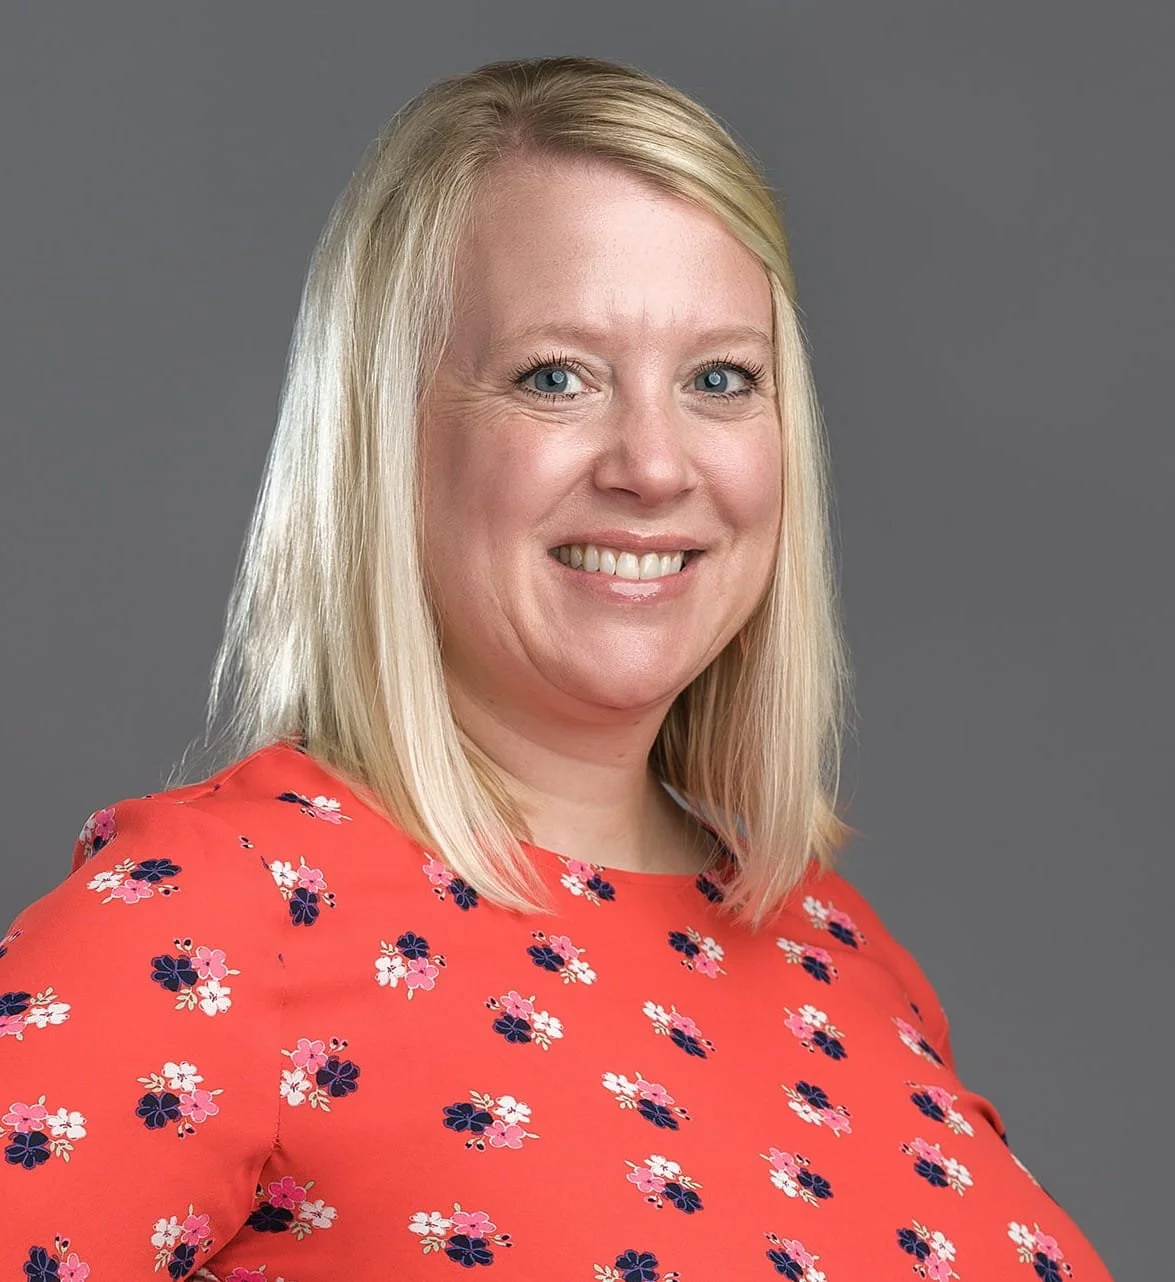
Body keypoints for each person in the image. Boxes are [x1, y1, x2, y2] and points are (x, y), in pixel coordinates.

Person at [0, 55, 1113, 1281]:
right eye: (553, 376)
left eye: (718, 380)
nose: (652, 462)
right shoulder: (205, 920)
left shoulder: (841, 955)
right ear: (388, 439)